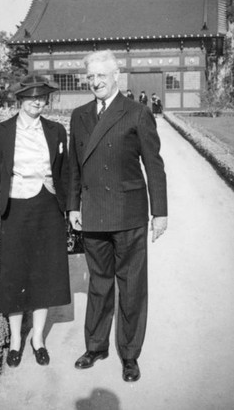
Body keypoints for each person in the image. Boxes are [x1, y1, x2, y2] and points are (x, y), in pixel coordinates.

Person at [68, 50, 167, 382]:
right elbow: (73, 168)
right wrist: (73, 206)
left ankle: (129, 354)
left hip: (129, 213)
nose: (95, 81)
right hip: (93, 213)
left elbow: (154, 165)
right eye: (91, 76)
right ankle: (96, 346)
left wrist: (160, 213)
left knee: (132, 286)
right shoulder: (79, 115)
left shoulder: (137, 113)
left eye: (101, 76)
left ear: (116, 78)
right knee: (99, 284)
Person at [0, 75, 71, 368]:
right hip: (15, 207)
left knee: (45, 273)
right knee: (15, 273)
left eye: (42, 98)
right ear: (20, 100)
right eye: (32, 98)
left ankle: (38, 338)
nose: (38, 103)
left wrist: (71, 209)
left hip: (48, 206)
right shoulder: (1, 132)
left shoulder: (56, 131)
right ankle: (16, 338)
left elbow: (64, 174)